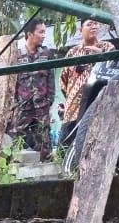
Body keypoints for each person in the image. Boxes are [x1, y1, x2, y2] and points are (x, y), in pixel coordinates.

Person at [9, 17, 55, 160]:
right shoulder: (16, 54)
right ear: (30, 34)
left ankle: (46, 173)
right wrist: (13, 104)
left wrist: (49, 101)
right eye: (40, 32)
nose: (44, 35)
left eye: (44, 32)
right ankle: (11, 170)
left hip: (42, 106)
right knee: (15, 137)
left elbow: (50, 79)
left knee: (44, 141)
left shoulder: (46, 54)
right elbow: (11, 80)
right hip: (23, 106)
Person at [60, 17, 104, 146]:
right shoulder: (73, 52)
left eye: (96, 23)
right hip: (73, 107)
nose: (94, 27)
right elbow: (63, 79)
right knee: (66, 142)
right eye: (89, 24)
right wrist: (70, 96)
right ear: (81, 30)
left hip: (96, 103)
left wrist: (101, 54)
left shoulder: (107, 48)